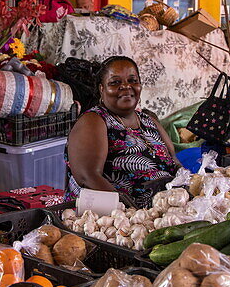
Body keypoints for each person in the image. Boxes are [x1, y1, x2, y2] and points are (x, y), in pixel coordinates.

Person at [66, 56, 182, 207]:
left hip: (165, 211)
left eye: (133, 80)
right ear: (102, 89)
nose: (126, 86)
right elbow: (88, 177)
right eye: (115, 82)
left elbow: (174, 162)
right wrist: (131, 211)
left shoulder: (149, 121)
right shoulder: (94, 121)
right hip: (116, 220)